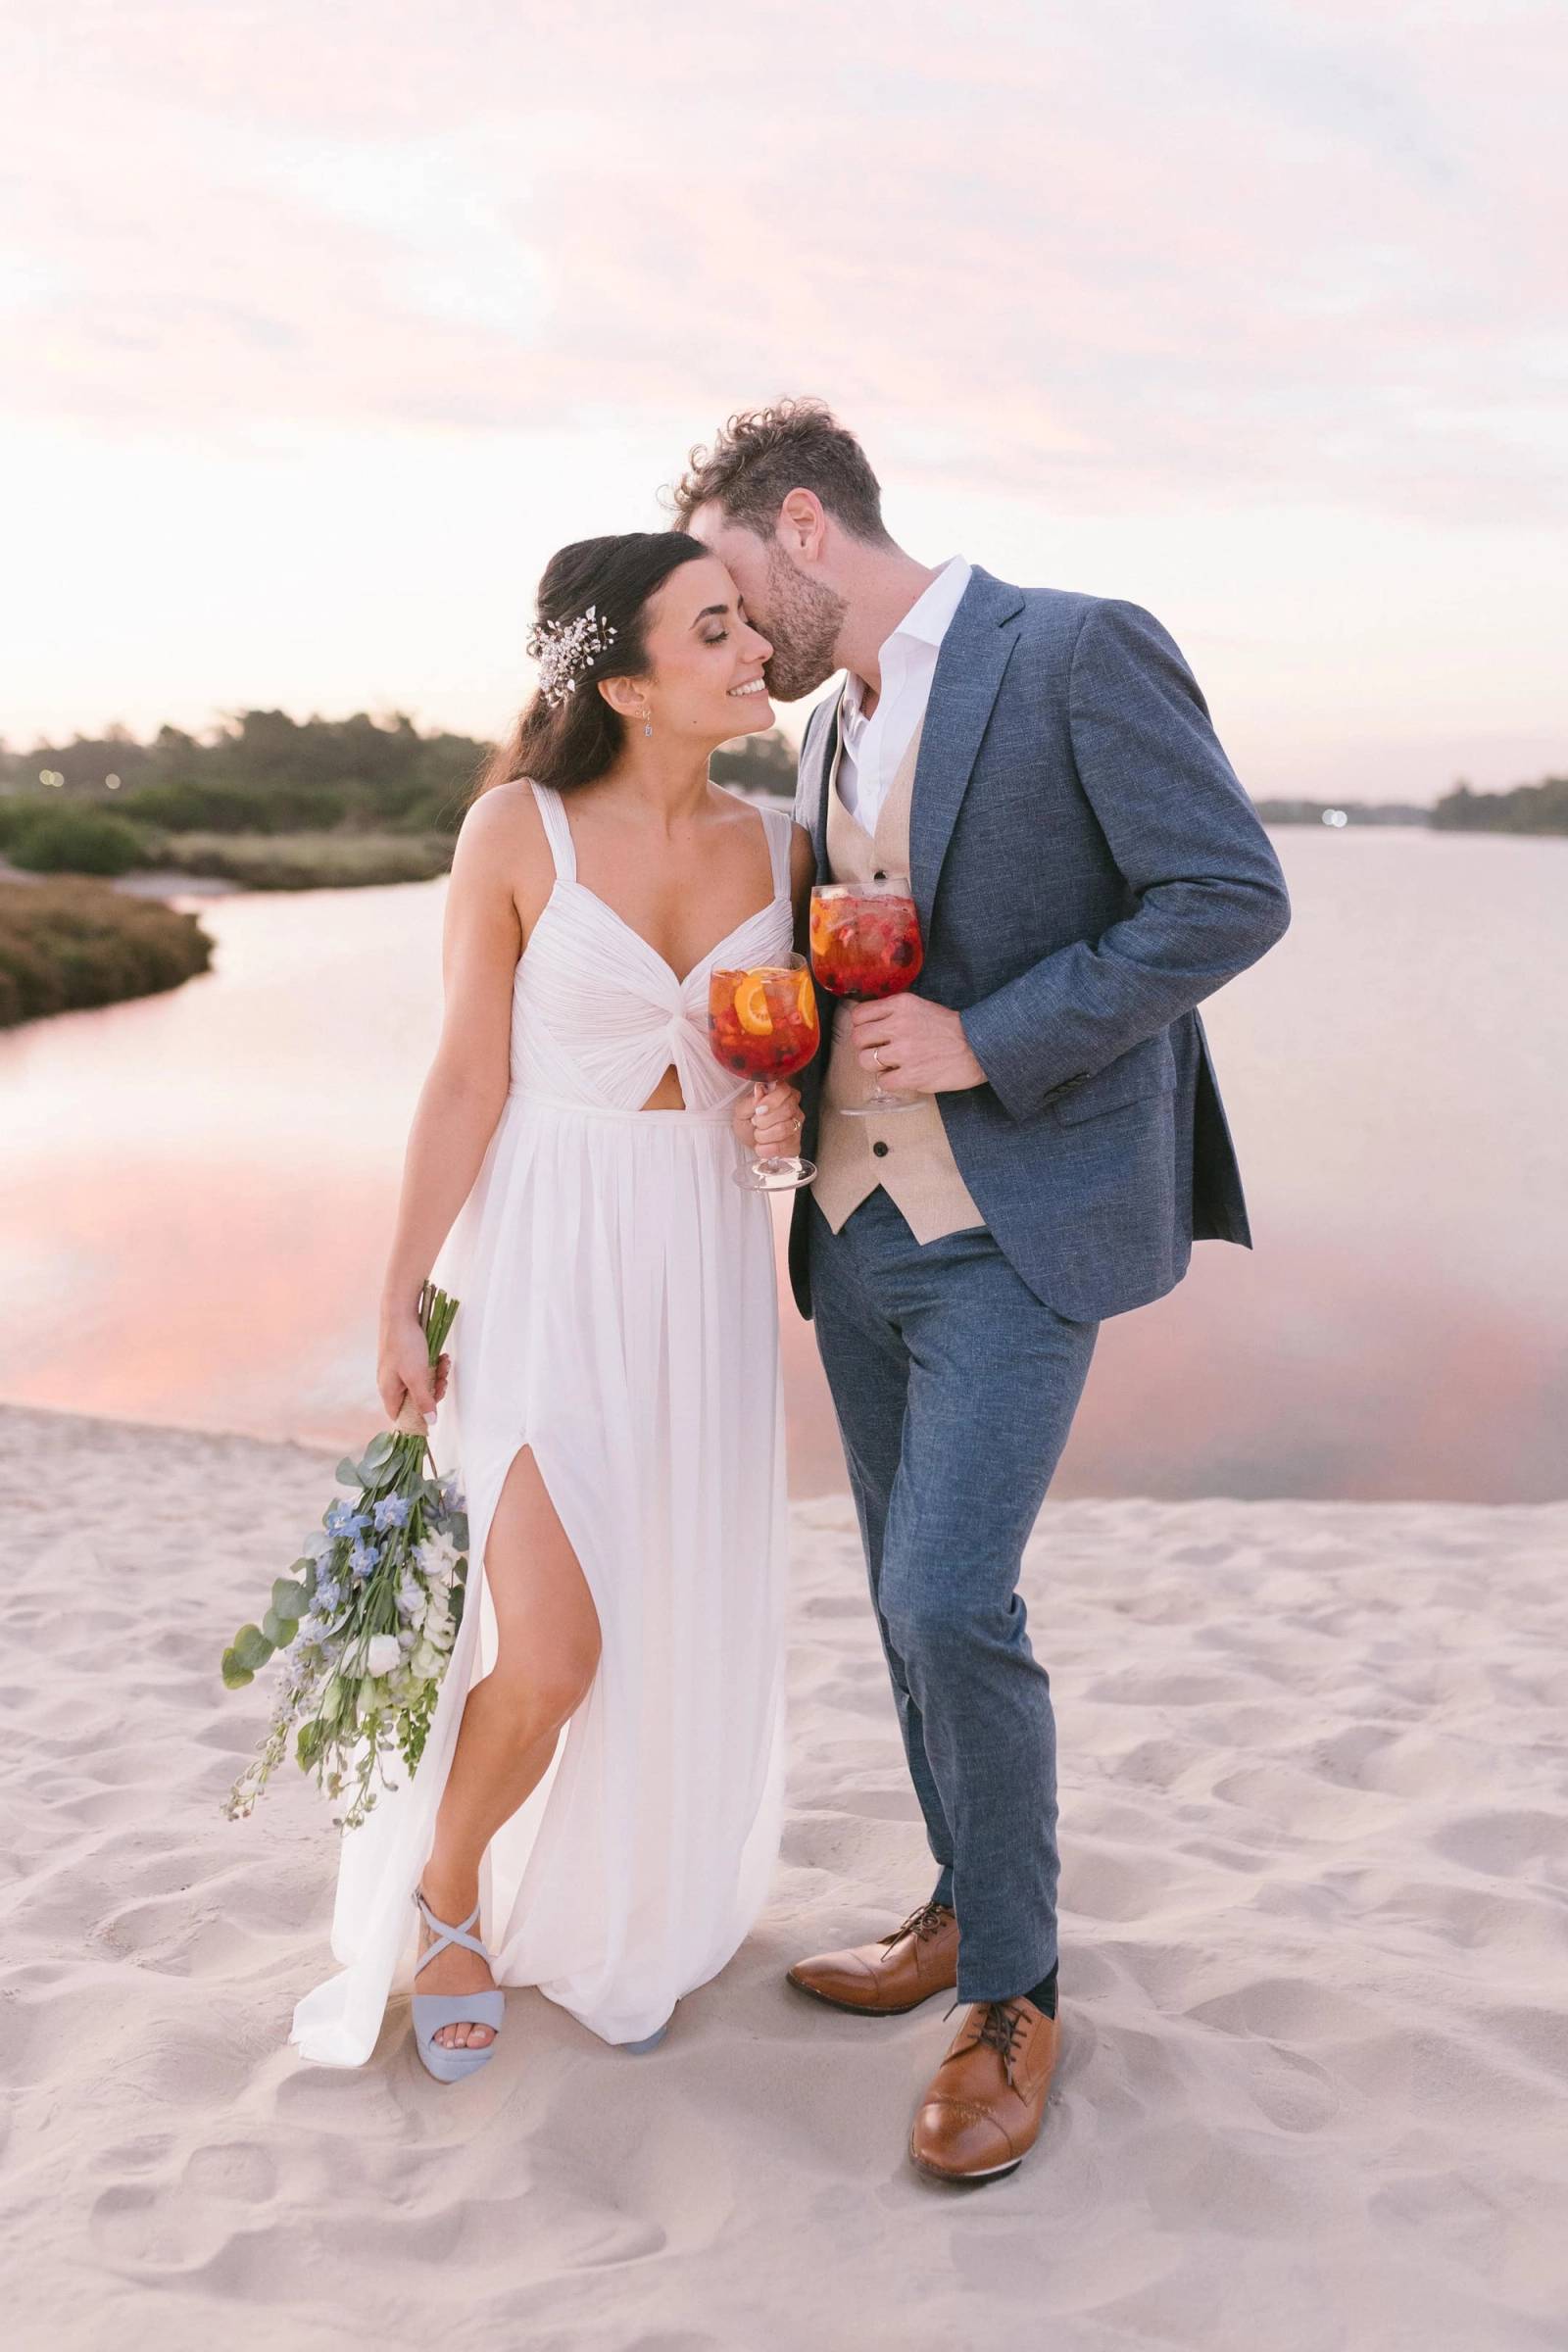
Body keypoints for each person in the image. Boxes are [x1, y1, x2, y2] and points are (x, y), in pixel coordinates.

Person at [670, 399, 1292, 2180]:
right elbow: (847, 947)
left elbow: (1226, 895)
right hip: (852, 1231)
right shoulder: (827, 731)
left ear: (804, 526)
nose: (732, 633)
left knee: (952, 1599)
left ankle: (1015, 1996)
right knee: (898, 1600)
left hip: (1021, 1224)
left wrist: (987, 1037)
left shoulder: (1078, 648)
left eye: (731, 588)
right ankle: (961, 1901)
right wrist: (789, 1076)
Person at [290, 531, 814, 2079]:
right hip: (538, 1261)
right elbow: (467, 1074)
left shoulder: (786, 845)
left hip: (701, 1267)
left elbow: (793, 1067)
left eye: (745, 622)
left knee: (664, 1625)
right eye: (713, 630)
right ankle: (448, 1892)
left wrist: (781, 1117)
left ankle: (604, 1900)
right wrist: (400, 1297)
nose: (754, 649)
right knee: (555, 1651)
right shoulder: (516, 829)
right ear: (628, 683)